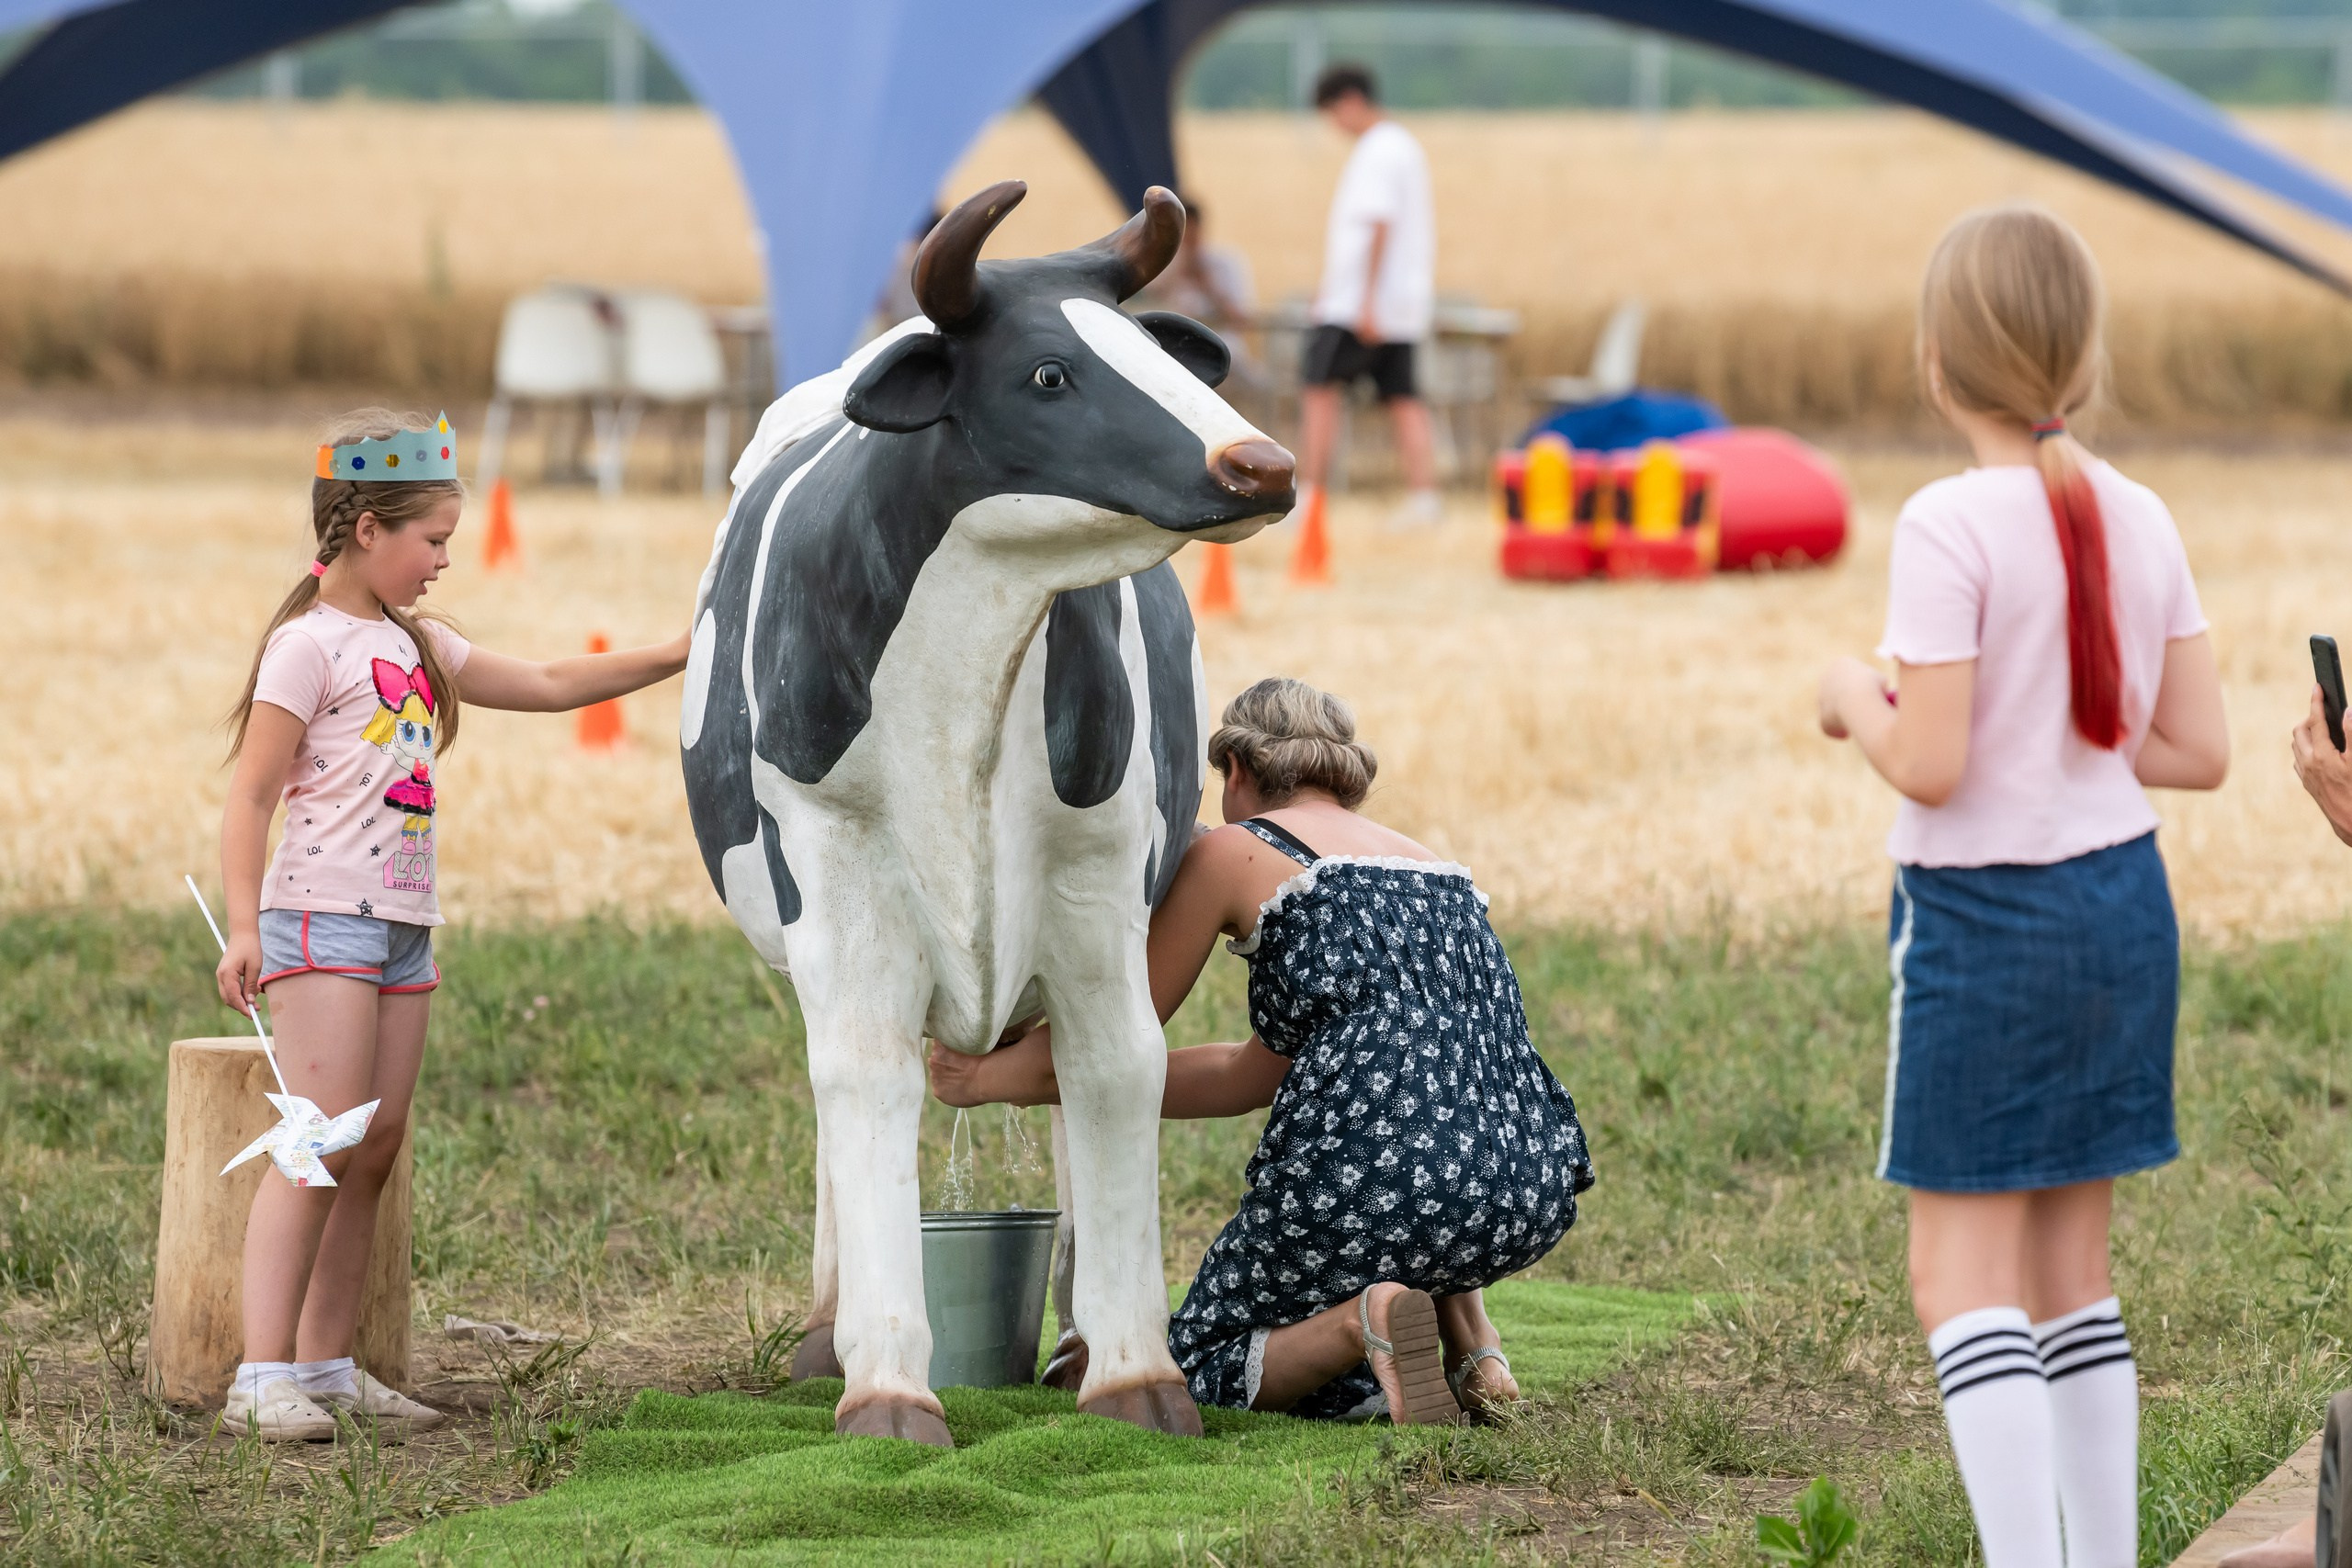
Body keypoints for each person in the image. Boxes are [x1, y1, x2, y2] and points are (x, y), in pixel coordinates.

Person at [1816, 208, 2228, 1568]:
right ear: (2081, 359)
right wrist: (2055, 729)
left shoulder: (1947, 522)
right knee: (2071, 1282)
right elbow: (2196, 749)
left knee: (1961, 1282)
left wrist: (1850, 696)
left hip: (1985, 925)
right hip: (2120, 906)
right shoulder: (2140, 512)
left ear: (1938, 362)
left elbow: (1929, 765)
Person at [929, 677, 1593, 1424]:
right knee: (1430, 1133)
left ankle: (1365, 1319)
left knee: (1191, 1362)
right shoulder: (1431, 867)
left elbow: (1111, 1033)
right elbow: (1242, 1076)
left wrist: (985, 1075)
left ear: (1237, 769)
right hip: (1525, 1184)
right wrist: (1039, 1080)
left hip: (1379, 1188)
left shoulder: (1235, 851)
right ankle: (1478, 1351)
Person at [212, 409, 689, 1440]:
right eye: (431, 540)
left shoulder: (418, 643)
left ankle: (327, 1366)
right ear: (366, 529)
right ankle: (259, 1377)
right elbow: (249, 796)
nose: (442, 561)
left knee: (375, 1144)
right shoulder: (306, 647)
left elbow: (552, 685)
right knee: (319, 1138)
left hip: (402, 925)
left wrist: (681, 652)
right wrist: (245, 928)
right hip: (321, 919)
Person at [1299, 63, 1442, 529]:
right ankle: (1424, 497)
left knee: (1319, 390)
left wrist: (1361, 300)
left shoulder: (1378, 150)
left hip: (1358, 306)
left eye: (1332, 113)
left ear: (1351, 101)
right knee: (1403, 397)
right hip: (1397, 304)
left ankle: (1310, 498)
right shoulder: (1402, 146)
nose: (1334, 125)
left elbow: (1377, 224)